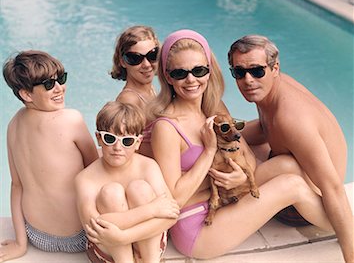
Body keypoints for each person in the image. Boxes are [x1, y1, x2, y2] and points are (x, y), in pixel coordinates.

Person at [140, 29, 333, 260]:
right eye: (180, 73)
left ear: (209, 72)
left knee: (287, 164)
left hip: (224, 199)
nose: (191, 80)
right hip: (196, 225)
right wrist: (209, 151)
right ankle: (343, 227)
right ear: (168, 77)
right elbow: (175, 200)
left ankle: (329, 215)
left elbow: (247, 156)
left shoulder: (214, 107)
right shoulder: (168, 128)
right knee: (292, 186)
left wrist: (242, 177)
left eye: (198, 70)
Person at [228, 34, 353, 263]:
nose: (248, 80)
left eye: (257, 71)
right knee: (233, 146)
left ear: (275, 68)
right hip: (306, 178)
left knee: (239, 169)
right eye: (239, 72)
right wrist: (218, 133)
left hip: (314, 209)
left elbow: (333, 188)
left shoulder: (291, 118)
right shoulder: (273, 92)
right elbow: (266, 129)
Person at [1, 50, 98, 262]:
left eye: (61, 79)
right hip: (80, 237)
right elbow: (98, 171)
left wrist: (20, 243)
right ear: (26, 94)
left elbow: (16, 186)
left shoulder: (13, 125)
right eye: (48, 84)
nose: (59, 88)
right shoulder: (70, 119)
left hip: (36, 235)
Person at [75, 100, 179, 263]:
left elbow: (171, 215)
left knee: (140, 188)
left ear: (137, 143)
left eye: (127, 141)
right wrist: (151, 210)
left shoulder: (148, 166)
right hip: (108, 250)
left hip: (146, 245)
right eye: (110, 138)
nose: (118, 147)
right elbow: (94, 226)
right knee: (111, 192)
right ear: (99, 139)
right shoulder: (86, 178)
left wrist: (123, 236)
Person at [111, 25, 159, 157]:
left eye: (152, 55)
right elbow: (125, 151)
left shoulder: (152, 90)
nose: (147, 64)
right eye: (135, 59)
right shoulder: (129, 100)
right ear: (122, 61)